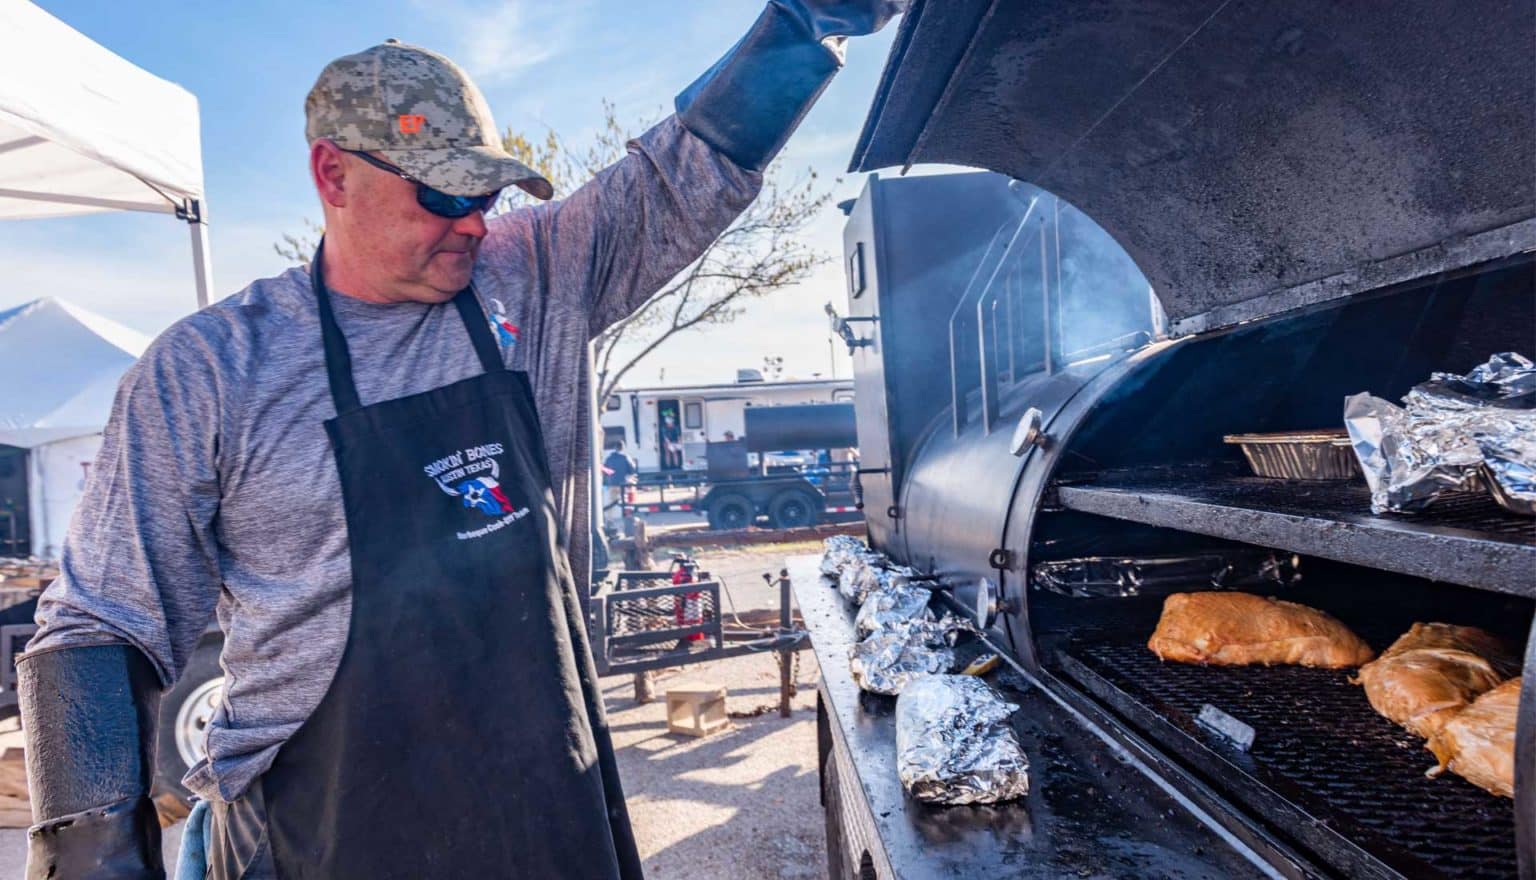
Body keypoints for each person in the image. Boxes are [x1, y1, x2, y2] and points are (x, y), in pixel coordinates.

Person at [16, 3, 903, 878]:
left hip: (543, 800)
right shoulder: (210, 370)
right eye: (443, 194)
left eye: (485, 194)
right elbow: (97, 625)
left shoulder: (534, 275)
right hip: (322, 836)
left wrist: (810, 21)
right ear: (333, 174)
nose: (475, 221)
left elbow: (684, 170)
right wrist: (92, 852)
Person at [602, 442, 638, 537]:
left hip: (612, 484)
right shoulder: (625, 457)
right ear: (623, 448)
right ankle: (628, 521)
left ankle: (609, 522)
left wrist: (610, 476)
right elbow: (632, 469)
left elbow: (604, 469)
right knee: (625, 503)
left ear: (615, 447)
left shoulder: (609, 458)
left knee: (611, 503)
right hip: (623, 484)